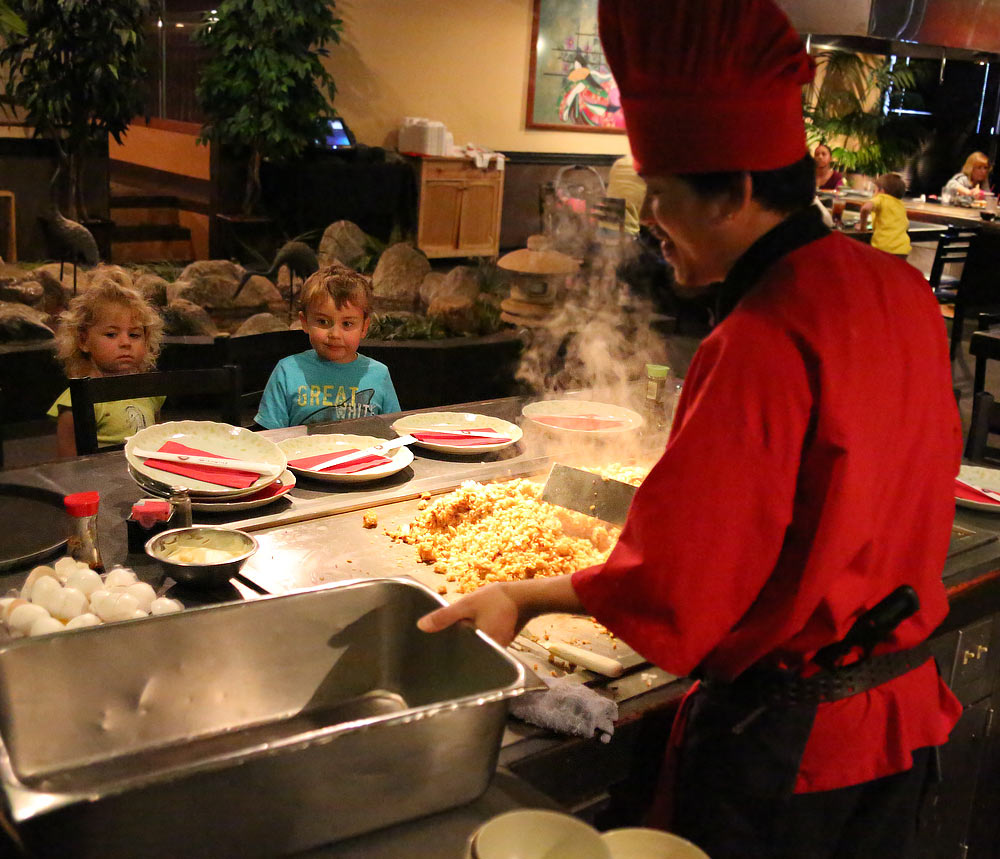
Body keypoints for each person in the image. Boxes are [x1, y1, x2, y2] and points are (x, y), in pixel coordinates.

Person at [418, 2, 961, 858]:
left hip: (793, 752)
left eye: (662, 198)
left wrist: (523, 594)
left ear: (737, 192)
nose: (651, 227)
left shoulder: (762, 336)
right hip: (901, 720)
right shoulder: (897, 289)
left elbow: (678, 585)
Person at [255, 264, 399, 428]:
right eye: (322, 321)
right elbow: (270, 436)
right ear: (305, 322)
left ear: (365, 327)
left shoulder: (379, 374)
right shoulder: (287, 371)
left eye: (347, 323)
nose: (335, 334)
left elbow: (393, 431)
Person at [48, 279, 164, 458]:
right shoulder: (76, 401)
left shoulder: (149, 391)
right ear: (83, 341)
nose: (125, 343)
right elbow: (68, 466)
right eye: (111, 334)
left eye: (134, 335)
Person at [859, 172, 911, 258]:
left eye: (874, 191)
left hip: (883, 248)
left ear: (881, 191)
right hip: (902, 250)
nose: (873, 194)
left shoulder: (881, 198)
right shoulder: (901, 205)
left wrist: (863, 227)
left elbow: (865, 208)